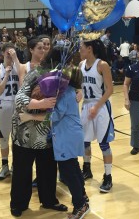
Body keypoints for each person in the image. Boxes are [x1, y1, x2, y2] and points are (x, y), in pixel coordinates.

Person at [10, 38, 67, 217]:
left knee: (48, 169)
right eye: (41, 48)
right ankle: (18, 203)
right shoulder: (35, 74)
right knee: (22, 170)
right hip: (25, 131)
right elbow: (19, 100)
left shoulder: (63, 77)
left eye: (46, 48)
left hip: (46, 131)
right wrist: (40, 102)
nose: (44, 50)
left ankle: (49, 200)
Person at [49, 67, 90, 219]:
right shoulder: (70, 90)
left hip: (67, 135)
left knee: (68, 172)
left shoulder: (65, 93)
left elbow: (55, 116)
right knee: (73, 167)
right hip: (71, 134)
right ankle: (83, 196)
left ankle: (80, 205)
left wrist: (42, 109)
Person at [79, 39, 115, 193]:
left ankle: (108, 177)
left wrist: (97, 106)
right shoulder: (81, 65)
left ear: (89, 48)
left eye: (81, 47)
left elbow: (110, 90)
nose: (79, 50)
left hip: (100, 108)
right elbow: (81, 87)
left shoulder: (102, 65)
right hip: (86, 105)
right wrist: (78, 95)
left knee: (103, 144)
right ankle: (87, 169)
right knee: (85, 142)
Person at [0, 42, 20, 180]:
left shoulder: (19, 68)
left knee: (17, 138)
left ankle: (15, 165)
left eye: (13, 52)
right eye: (8, 53)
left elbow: (24, 84)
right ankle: (4, 166)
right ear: (3, 53)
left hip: (18, 105)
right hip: (4, 104)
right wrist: (7, 75)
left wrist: (15, 61)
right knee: (4, 138)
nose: (10, 55)